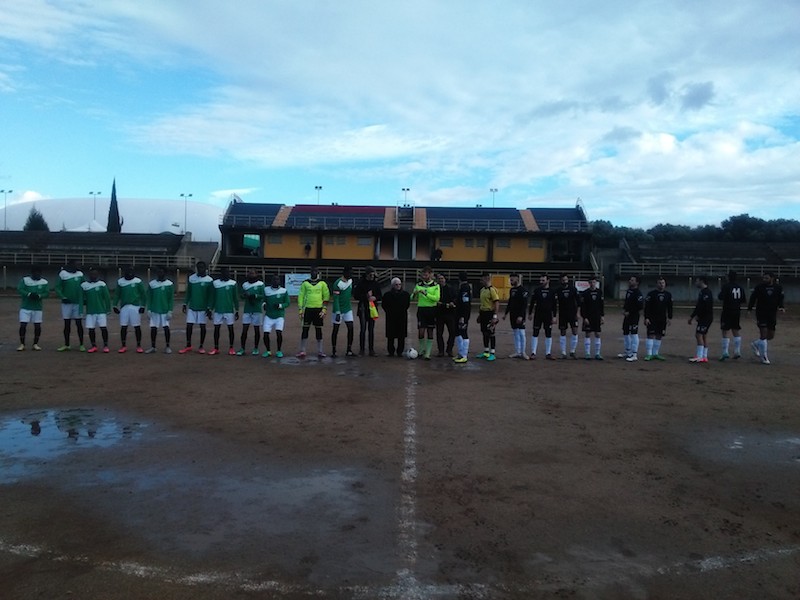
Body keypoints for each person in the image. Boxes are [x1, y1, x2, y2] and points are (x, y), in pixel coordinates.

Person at [747, 272, 785, 365]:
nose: (764, 280)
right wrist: (749, 309)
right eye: (763, 278)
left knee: (770, 335)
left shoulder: (778, 288)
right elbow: (753, 298)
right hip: (761, 313)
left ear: (772, 278)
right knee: (763, 334)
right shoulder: (759, 287)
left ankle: (756, 344)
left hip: (772, 313)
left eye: (766, 278)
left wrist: (781, 307)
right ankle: (764, 357)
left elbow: (781, 298)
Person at [179, 261, 213, 354]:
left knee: (202, 327)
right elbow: (188, 292)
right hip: (192, 307)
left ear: (205, 268)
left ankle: (201, 346)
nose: (200, 269)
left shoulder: (209, 280)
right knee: (189, 326)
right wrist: (185, 303)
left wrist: (209, 308)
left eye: (202, 267)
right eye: (198, 267)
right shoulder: (191, 278)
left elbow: (211, 296)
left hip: (203, 308)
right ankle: (188, 345)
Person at [297, 266, 331, 358]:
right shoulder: (305, 283)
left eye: (315, 271)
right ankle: (302, 350)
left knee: (318, 330)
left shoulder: (322, 283)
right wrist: (300, 309)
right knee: (305, 330)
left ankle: (320, 351)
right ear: (310, 272)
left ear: (318, 272)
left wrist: (324, 309)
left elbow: (326, 296)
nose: (314, 273)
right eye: (312, 271)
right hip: (308, 309)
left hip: (318, 310)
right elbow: (301, 296)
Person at [113, 266, 146, 353]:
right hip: (124, 307)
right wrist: (114, 305)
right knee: (123, 326)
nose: (129, 274)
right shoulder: (120, 282)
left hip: (135, 307)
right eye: (128, 272)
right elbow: (117, 294)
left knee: (137, 326)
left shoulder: (138, 281)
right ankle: (123, 346)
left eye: (131, 272)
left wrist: (143, 306)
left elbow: (143, 294)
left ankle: (139, 346)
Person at [55, 259, 86, 351]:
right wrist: (63, 297)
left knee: (79, 324)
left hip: (77, 303)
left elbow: (84, 286)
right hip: (66, 303)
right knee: (67, 324)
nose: (79, 266)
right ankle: (67, 344)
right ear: (71, 265)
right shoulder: (63, 274)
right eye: (77, 264)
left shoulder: (80, 274)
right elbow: (58, 288)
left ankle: (81, 344)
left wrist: (84, 299)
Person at [411, 265, 440, 360]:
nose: (424, 276)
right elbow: (411, 298)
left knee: (430, 331)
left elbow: (436, 298)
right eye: (423, 274)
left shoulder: (436, 285)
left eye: (426, 274)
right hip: (421, 310)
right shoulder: (419, 284)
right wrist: (414, 294)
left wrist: (426, 293)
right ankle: (422, 349)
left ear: (430, 274)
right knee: (421, 331)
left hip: (431, 310)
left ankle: (427, 353)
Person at [17, 265, 49, 351]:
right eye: (35, 273)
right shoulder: (25, 280)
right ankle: (22, 344)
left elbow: (47, 293)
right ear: (32, 273)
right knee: (23, 325)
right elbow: (20, 289)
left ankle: (35, 344)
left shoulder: (44, 282)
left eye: (38, 273)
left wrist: (39, 296)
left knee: (37, 326)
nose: (37, 274)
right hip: (25, 307)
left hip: (37, 308)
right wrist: (29, 294)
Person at [210, 266, 240, 356]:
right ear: (221, 273)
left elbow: (235, 298)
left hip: (229, 310)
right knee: (216, 329)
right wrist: (210, 309)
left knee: (230, 329)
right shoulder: (215, 283)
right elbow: (212, 297)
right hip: (218, 310)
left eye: (228, 272)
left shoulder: (233, 283)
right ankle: (216, 348)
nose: (227, 274)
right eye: (225, 272)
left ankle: (231, 348)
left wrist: (237, 310)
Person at [81, 267, 112, 353]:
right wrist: (81, 309)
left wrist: (108, 308)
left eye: (95, 274)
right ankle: (93, 345)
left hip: (101, 311)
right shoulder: (84, 285)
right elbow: (81, 298)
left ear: (98, 275)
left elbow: (107, 298)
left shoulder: (102, 284)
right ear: (89, 275)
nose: (93, 276)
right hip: (90, 312)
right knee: (91, 329)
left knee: (103, 328)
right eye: (91, 274)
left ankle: (105, 345)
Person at [718, 270, 747, 360]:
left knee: (725, 331)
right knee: (736, 330)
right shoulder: (740, 287)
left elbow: (720, 297)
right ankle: (737, 351)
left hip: (727, 310)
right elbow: (743, 300)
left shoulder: (726, 286)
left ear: (728, 277)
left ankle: (725, 352)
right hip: (737, 311)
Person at [354, 266, 382, 356]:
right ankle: (362, 349)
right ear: (367, 274)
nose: (372, 276)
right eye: (371, 275)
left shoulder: (376, 284)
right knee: (363, 329)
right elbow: (356, 296)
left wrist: (375, 297)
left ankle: (371, 349)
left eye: (373, 275)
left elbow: (380, 295)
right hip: (363, 308)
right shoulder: (361, 283)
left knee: (371, 329)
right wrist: (366, 296)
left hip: (373, 309)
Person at [146, 267, 175, 353]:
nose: (160, 274)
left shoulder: (169, 284)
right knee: (153, 328)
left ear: (165, 273)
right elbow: (149, 298)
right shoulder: (152, 284)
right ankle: (153, 346)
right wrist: (149, 309)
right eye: (158, 272)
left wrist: (170, 310)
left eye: (161, 272)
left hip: (165, 310)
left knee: (166, 328)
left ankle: (167, 346)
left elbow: (171, 299)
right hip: (154, 310)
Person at [643, 276, 673, 361]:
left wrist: (669, 317)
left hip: (662, 318)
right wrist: (646, 317)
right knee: (651, 335)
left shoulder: (668, 295)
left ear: (665, 284)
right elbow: (647, 307)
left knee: (659, 335)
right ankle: (649, 354)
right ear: (657, 284)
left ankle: (655, 353)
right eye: (660, 283)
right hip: (652, 318)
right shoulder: (651, 294)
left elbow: (670, 307)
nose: (661, 285)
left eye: (663, 283)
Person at [528, 274, 557, 360]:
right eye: (540, 280)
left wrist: (554, 316)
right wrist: (530, 313)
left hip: (548, 315)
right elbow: (532, 302)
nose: (541, 282)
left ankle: (548, 353)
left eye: (543, 280)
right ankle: (533, 353)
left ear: (548, 280)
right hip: (538, 315)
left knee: (548, 333)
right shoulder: (537, 290)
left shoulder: (552, 291)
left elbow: (554, 305)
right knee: (535, 333)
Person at [238, 268, 265, 356]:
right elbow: (241, 296)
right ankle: (242, 348)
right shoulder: (245, 285)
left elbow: (263, 296)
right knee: (244, 330)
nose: (251, 275)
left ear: (256, 274)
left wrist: (255, 296)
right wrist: (244, 295)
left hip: (257, 310)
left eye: (252, 273)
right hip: (247, 310)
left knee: (256, 330)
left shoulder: (261, 284)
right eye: (249, 273)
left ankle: (256, 348)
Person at [503, 272, 529, 359]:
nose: (510, 281)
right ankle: (517, 351)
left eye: (512, 279)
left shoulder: (523, 290)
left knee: (522, 333)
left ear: (517, 279)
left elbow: (524, 304)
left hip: (520, 315)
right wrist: (506, 313)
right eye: (510, 279)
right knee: (515, 333)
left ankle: (523, 352)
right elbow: (510, 302)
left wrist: (521, 316)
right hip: (513, 315)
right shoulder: (512, 290)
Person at [262, 274, 289, 357]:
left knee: (279, 333)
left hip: (279, 316)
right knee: (266, 334)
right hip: (268, 315)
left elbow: (287, 303)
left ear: (279, 281)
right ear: (271, 281)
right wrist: (264, 305)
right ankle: (268, 351)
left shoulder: (284, 291)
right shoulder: (266, 290)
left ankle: (279, 351)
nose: (275, 281)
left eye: (277, 280)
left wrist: (280, 306)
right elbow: (263, 300)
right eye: (274, 279)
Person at [688, 276, 714, 363]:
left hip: (705, 317)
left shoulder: (706, 293)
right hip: (706, 317)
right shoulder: (704, 292)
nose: (696, 283)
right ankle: (704, 356)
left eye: (697, 281)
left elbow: (703, 306)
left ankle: (699, 356)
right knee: (704, 335)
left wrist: (695, 316)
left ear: (701, 281)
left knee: (698, 335)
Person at [331, 266, 355, 357]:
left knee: (351, 328)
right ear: (344, 273)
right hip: (338, 310)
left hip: (347, 309)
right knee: (336, 329)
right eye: (349, 273)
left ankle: (349, 349)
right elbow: (336, 299)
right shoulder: (338, 283)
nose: (351, 275)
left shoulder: (350, 281)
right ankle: (334, 350)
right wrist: (337, 311)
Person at [382, 277, 410, 356]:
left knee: (401, 336)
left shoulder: (406, 294)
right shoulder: (387, 295)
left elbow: (407, 305)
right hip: (391, 317)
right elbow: (384, 305)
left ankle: (400, 351)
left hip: (402, 317)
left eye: (399, 284)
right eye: (396, 284)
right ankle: (391, 351)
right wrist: (389, 312)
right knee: (390, 336)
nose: (398, 286)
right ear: (392, 285)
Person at [619, 275, 645, 361]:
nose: (630, 281)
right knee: (626, 332)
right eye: (630, 280)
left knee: (634, 333)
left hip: (634, 316)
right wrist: (624, 309)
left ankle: (634, 354)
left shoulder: (638, 293)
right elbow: (627, 302)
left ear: (637, 282)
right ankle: (628, 351)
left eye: (632, 280)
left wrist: (629, 311)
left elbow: (639, 306)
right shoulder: (629, 291)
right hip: (627, 316)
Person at [556, 273, 580, 359]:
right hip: (562, 314)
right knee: (563, 332)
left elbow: (578, 302)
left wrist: (578, 313)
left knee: (575, 331)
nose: (564, 282)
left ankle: (572, 351)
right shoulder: (558, 290)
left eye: (566, 280)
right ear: (560, 281)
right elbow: (555, 303)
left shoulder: (573, 289)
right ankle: (563, 352)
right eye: (563, 280)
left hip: (572, 313)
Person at [580, 275, 604, 359]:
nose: (592, 284)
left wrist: (602, 316)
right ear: (588, 283)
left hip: (597, 316)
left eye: (594, 282)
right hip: (588, 317)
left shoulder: (599, 292)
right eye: (591, 282)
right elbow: (583, 307)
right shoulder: (585, 293)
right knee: (588, 333)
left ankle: (597, 353)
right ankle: (587, 353)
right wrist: (584, 317)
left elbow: (601, 305)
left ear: (596, 283)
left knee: (597, 333)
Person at [435, 273, 457, 357]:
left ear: (445, 279)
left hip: (450, 314)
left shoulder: (451, 288)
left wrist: (453, 302)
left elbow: (456, 298)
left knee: (452, 332)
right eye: (439, 278)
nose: (440, 280)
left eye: (442, 278)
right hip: (439, 314)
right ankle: (441, 350)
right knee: (439, 333)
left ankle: (449, 349)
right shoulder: (436, 289)